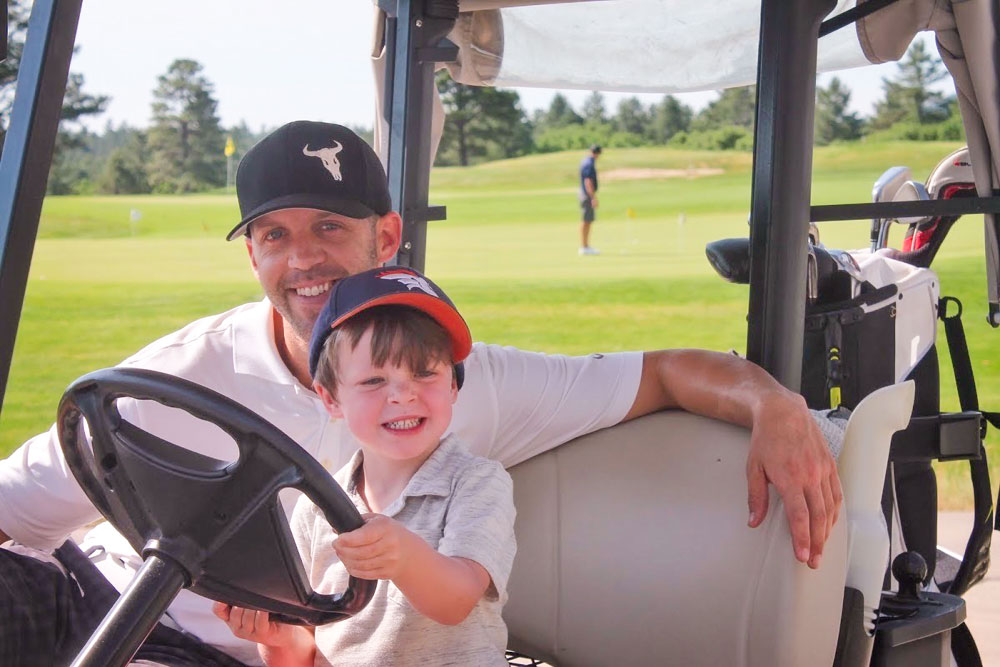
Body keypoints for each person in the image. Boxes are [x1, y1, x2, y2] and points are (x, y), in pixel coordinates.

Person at [0, 121, 840, 665]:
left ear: (386, 235)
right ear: (250, 252)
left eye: (331, 226)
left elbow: (659, 371)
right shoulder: (182, 372)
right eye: (276, 235)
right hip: (104, 596)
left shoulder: (459, 384)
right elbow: (14, 507)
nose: (305, 260)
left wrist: (774, 403)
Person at [214, 267, 515, 666]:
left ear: (453, 385)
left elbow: (456, 600)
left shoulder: (476, 483)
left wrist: (405, 557)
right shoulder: (317, 507)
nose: (403, 395)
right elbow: (306, 651)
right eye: (374, 381)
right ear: (331, 398)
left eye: (425, 373)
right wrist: (275, 637)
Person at [578, 143, 601, 255]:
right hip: (587, 194)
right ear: (598, 153)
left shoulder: (585, 161)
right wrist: (593, 197)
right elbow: (588, 182)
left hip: (585, 193)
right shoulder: (589, 163)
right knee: (587, 220)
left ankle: (585, 246)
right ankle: (584, 247)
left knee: (587, 220)